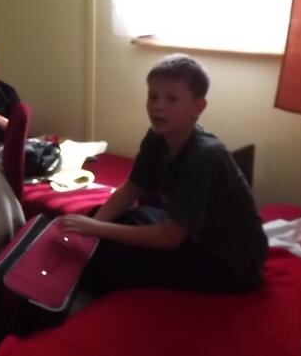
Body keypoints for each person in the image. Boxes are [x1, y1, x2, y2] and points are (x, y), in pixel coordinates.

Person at [59, 53, 268, 296]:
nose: (158, 105)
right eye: (153, 96)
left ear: (198, 108)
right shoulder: (156, 136)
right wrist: (95, 224)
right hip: (188, 229)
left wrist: (96, 230)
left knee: (113, 260)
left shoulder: (205, 156)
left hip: (230, 255)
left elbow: (169, 237)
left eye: (171, 99)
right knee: (102, 217)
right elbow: (131, 188)